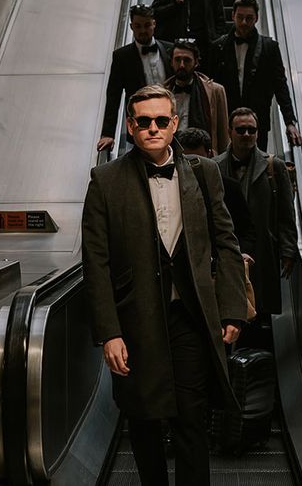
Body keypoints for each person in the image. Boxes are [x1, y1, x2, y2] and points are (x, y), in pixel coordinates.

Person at [82, 84, 247, 486]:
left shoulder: (205, 173)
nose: (152, 128)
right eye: (143, 121)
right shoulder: (105, 180)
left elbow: (226, 242)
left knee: (192, 417)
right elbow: (96, 263)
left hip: (191, 317)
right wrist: (109, 333)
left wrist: (231, 308)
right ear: (130, 126)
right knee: (144, 420)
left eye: (161, 120)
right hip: (136, 321)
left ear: (174, 124)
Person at [214, 107, 297, 326]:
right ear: (230, 131)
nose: (247, 135)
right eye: (241, 130)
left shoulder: (274, 166)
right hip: (227, 250)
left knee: (260, 312)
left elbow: (286, 212)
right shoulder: (214, 167)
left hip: (263, 250)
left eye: (252, 130)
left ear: (258, 133)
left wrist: (288, 249)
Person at [208, 0, 302, 150]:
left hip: (257, 124)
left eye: (249, 18)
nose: (244, 22)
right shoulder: (218, 47)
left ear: (256, 18)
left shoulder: (269, 48)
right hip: (226, 123)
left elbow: (280, 86)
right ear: (233, 16)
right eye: (240, 17)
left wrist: (289, 122)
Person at [97, 4, 173, 152]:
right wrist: (108, 133)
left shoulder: (170, 50)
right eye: (138, 26)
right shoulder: (122, 57)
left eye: (147, 25)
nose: (143, 30)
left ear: (154, 24)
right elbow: (113, 95)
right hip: (142, 126)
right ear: (131, 27)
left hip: (170, 123)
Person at [176, 127, 256, 261]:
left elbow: (246, 230)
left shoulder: (229, 187)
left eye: (197, 161)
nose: (192, 168)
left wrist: (242, 253)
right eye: (187, 160)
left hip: (220, 261)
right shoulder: (171, 185)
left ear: (209, 155)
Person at [164, 38, 229, 154]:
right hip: (170, 153)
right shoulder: (162, 92)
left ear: (196, 62)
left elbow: (223, 134)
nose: (182, 65)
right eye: (177, 60)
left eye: (187, 60)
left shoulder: (215, 91)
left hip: (203, 155)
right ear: (171, 62)